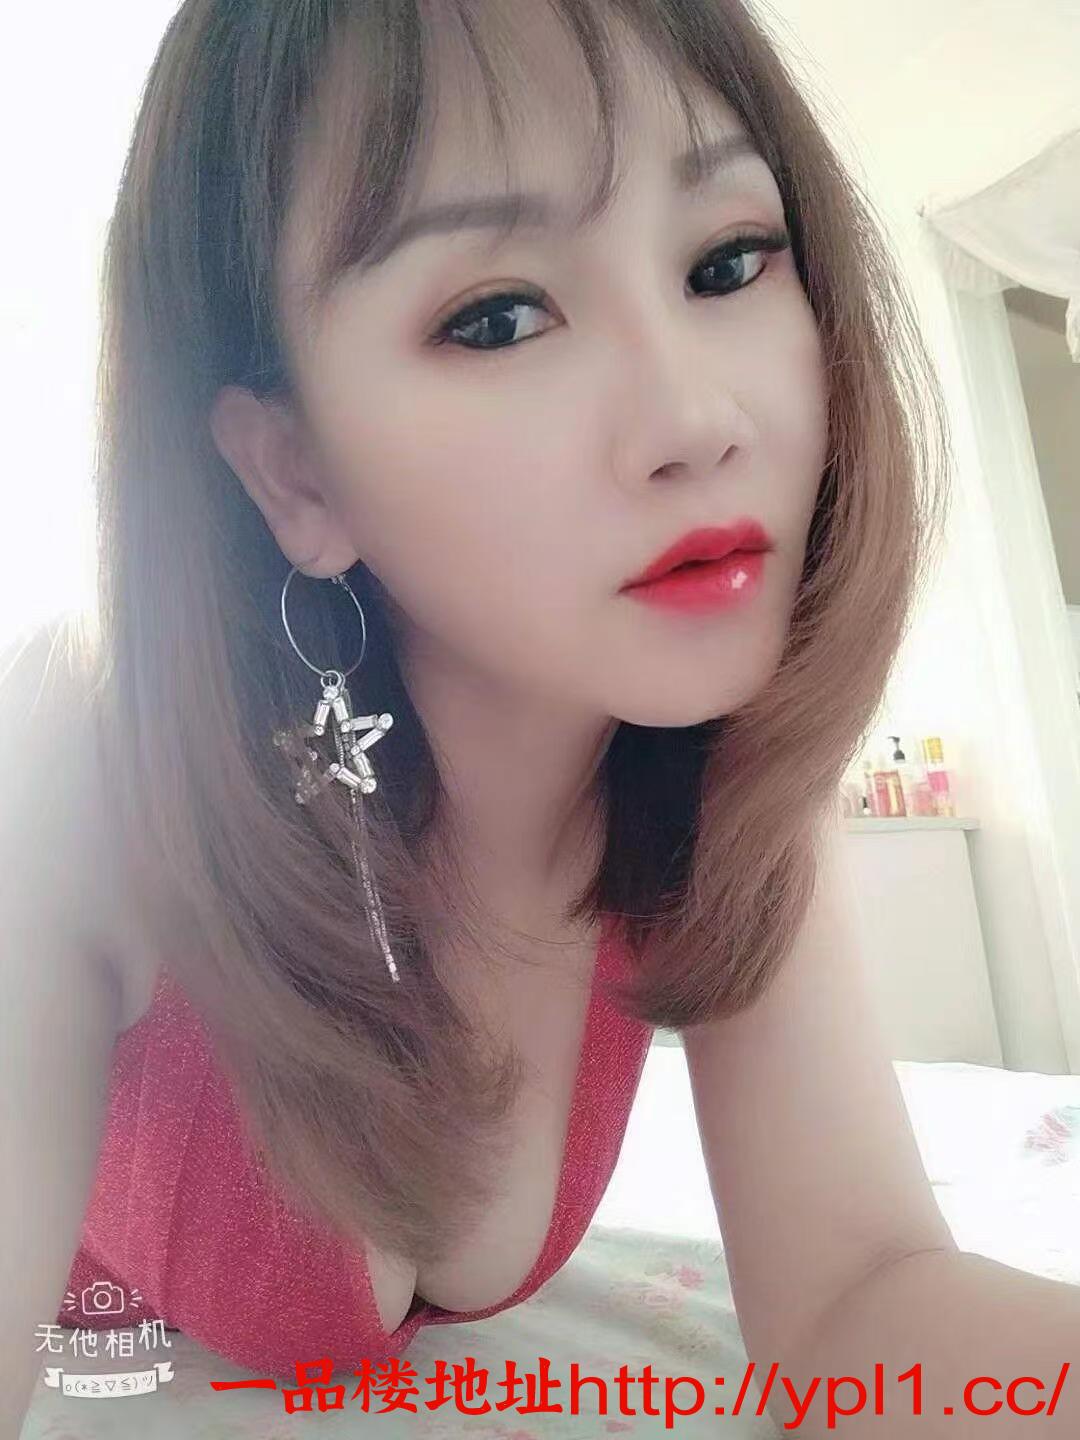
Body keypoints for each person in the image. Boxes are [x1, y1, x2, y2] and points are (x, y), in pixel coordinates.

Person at [4, 1, 1080, 1435]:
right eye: (499, 316)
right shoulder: (88, 752)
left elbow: (854, 1299)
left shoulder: (728, 778)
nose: (696, 418)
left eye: (726, 261)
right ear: (292, 473)